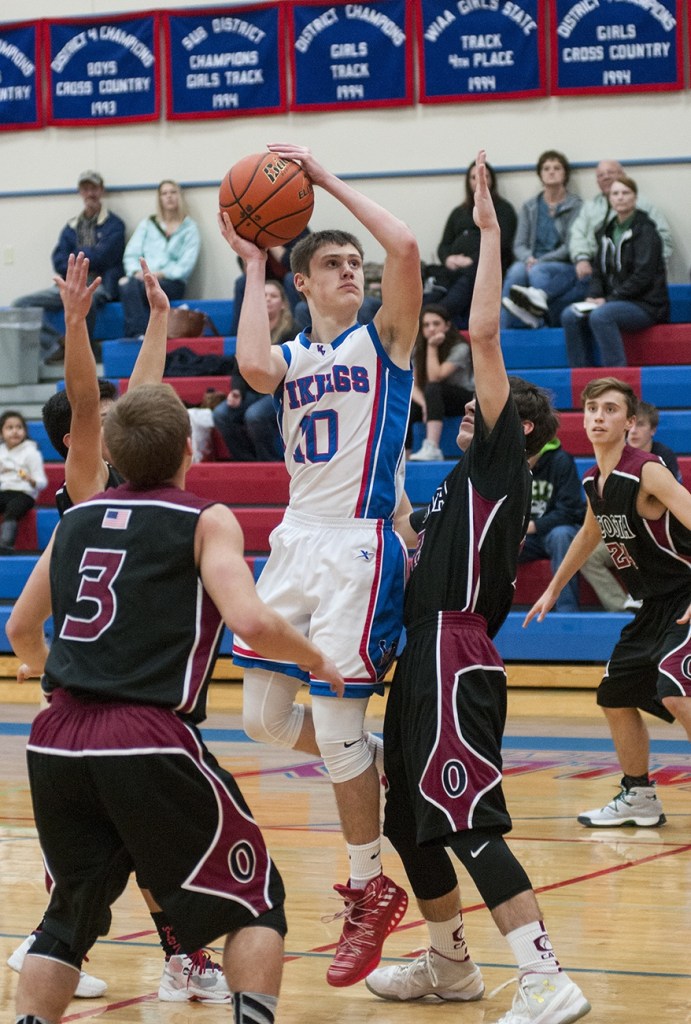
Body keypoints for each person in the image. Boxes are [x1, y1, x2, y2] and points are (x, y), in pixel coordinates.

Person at [6, 381, 344, 1024]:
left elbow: (21, 631)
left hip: (54, 736)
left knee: (68, 916)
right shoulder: (205, 517)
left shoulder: (74, 517)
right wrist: (314, 658)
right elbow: (249, 620)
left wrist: (69, 680)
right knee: (254, 901)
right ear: (190, 450)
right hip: (145, 733)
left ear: (111, 452)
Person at [365, 151, 591, 1024]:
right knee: (406, 821)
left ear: (518, 427)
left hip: (458, 653)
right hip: (421, 653)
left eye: (483, 410)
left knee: (464, 818)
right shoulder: (460, 480)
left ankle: (545, 976)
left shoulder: (504, 457)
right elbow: (414, 541)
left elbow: (484, 335)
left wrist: (490, 229)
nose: (466, 411)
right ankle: (449, 965)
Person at [218, 141, 422, 988]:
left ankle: (369, 887)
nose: (352, 271)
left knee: (335, 732)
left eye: (353, 263)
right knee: (263, 717)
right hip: (298, 539)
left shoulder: (387, 341)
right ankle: (360, 756)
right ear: (301, 284)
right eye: (333, 264)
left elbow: (405, 251)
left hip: (358, 545)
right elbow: (253, 365)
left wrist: (326, 183)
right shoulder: (298, 357)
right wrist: (256, 260)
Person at [7, 252, 231, 1003]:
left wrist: (160, 318)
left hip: (96, 682)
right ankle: (65, 942)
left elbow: (138, 401)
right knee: (120, 845)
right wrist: (74, 324)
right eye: (95, 420)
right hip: (99, 688)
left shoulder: (126, 476)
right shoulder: (88, 483)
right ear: (80, 438)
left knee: (137, 842)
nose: (111, 417)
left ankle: (157, 954)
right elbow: (86, 396)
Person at [524, 377, 691, 830]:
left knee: (677, 693)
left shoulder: (647, 470)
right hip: (653, 602)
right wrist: (555, 587)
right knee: (615, 694)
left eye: (611, 409)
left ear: (629, 422)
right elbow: (590, 532)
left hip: (686, 593)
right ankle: (638, 795)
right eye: (593, 409)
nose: (599, 416)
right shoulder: (593, 479)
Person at [13, 170, 125, 364]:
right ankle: (59, 343)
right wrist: (88, 255)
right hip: (69, 284)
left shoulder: (114, 225)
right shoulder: (70, 226)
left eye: (94, 188)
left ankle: (84, 352)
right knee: (21, 305)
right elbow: (58, 260)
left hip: (99, 284)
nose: (90, 193)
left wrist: (76, 257)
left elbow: (105, 257)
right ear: (80, 192)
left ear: (101, 191)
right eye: (85, 189)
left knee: (87, 297)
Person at [581, 400, 681, 611]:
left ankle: (646, 598)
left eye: (641, 425)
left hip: (655, 534)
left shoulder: (663, 458)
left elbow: (664, 508)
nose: (634, 432)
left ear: (652, 430)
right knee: (587, 555)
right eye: (631, 425)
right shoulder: (613, 453)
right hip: (619, 531)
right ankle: (622, 607)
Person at [561, 175, 669, 368]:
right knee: (570, 314)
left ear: (635, 198)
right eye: (615, 193)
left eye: (625, 193)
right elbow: (598, 272)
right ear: (609, 199)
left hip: (645, 304)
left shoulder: (647, 231)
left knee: (602, 315)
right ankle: (581, 375)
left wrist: (609, 299)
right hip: (612, 301)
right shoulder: (606, 231)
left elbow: (643, 276)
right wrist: (594, 295)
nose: (620, 197)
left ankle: (616, 379)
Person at [424, 156, 517, 326]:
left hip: (483, 267)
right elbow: (444, 244)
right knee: (430, 278)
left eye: (485, 176)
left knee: (468, 279)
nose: (479, 181)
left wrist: (471, 260)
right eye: (474, 177)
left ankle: (440, 315)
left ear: (492, 180)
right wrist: (448, 258)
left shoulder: (503, 210)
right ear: (468, 182)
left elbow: (502, 244)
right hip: (453, 267)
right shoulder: (459, 212)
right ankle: (428, 315)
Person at [213, 281, 296, 461]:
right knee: (221, 414)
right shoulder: (251, 329)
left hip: (281, 391)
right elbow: (238, 367)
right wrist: (236, 390)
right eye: (263, 296)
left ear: (283, 304)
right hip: (252, 390)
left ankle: (270, 462)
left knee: (255, 415)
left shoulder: (293, 330)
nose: (267, 300)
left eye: (273, 296)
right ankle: (247, 461)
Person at [500, 150, 583, 329]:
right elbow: (519, 244)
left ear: (565, 173)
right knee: (516, 273)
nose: (551, 172)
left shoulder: (575, 205)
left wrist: (540, 261)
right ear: (540, 174)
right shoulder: (530, 206)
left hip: (560, 262)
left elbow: (570, 245)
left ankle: (543, 323)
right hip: (530, 259)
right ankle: (503, 333)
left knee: (538, 272)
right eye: (546, 168)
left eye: (556, 168)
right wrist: (529, 258)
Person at [568, 160, 673, 289]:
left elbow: (663, 237)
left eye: (610, 172)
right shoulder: (589, 207)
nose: (605, 177)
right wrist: (581, 258)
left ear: (623, 175)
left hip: (629, 272)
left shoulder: (644, 207)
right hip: (592, 266)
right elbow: (577, 234)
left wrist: (654, 266)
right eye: (600, 175)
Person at [119, 180, 200, 338]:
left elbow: (186, 264)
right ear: (160, 199)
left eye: (173, 192)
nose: (169, 197)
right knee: (127, 284)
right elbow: (131, 253)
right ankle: (139, 334)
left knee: (136, 288)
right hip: (144, 279)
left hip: (171, 283)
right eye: (164, 193)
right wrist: (137, 272)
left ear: (179, 196)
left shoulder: (190, 228)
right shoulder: (148, 224)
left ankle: (140, 333)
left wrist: (160, 274)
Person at [517, 436, 586, 612]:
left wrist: (533, 526)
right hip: (527, 538)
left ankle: (567, 610)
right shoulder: (509, 464)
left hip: (554, 533)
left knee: (562, 535)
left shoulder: (561, 461)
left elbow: (571, 511)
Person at [408, 304, 474, 462]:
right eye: (426, 325)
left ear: (447, 325)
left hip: (464, 399)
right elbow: (412, 385)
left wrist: (432, 347)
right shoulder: (417, 350)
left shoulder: (460, 348)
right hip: (435, 400)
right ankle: (404, 455)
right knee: (407, 405)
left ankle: (432, 446)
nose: (431, 329)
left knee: (433, 388)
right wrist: (425, 404)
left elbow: (436, 377)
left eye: (436, 324)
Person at [0, 410, 47, 553]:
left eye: (19, 427)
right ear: (1, 433)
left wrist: (31, 480)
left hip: (24, 493)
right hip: (4, 491)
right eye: (10, 428)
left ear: (25, 431)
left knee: (12, 510)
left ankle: (6, 545)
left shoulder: (31, 452)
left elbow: (42, 482)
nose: (15, 431)